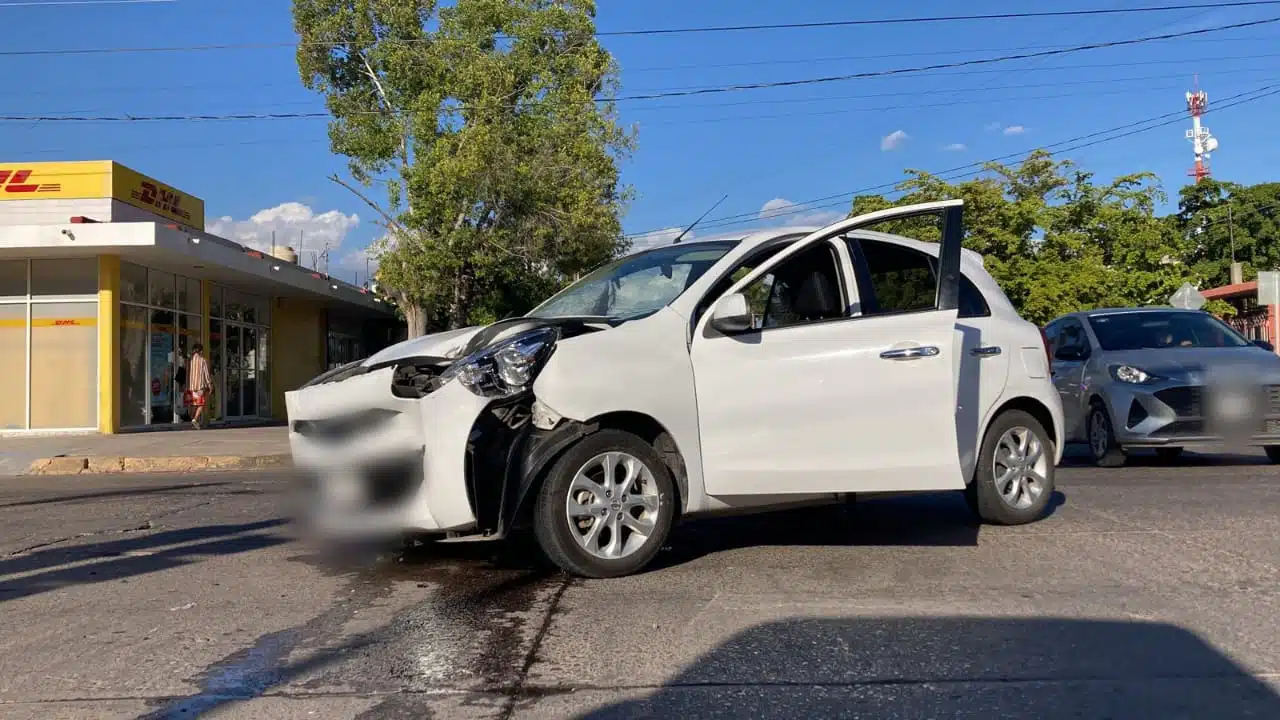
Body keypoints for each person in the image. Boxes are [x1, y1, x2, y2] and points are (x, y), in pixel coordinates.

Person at [188, 343, 214, 429]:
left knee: (193, 404)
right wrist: (210, 385)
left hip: (192, 386)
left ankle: (193, 422)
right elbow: (206, 374)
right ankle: (195, 420)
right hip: (200, 386)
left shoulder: (190, 361)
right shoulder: (203, 360)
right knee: (201, 404)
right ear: (200, 351)